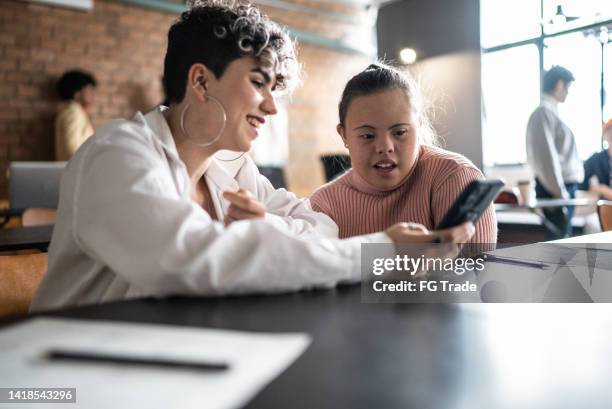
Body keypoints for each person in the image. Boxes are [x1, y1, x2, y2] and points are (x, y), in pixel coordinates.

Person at [31, 1, 473, 311]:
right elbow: (193, 262)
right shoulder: (118, 154)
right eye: (259, 83)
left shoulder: (229, 165)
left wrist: (265, 226)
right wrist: (384, 250)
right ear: (201, 83)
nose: (271, 106)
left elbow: (322, 227)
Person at [309, 63, 497, 244]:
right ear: (344, 135)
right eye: (367, 135)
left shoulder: (454, 177)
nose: (385, 147)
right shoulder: (323, 205)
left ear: (419, 127)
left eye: (399, 132)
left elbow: (476, 273)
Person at [526, 65, 583, 238]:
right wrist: (561, 194)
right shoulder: (543, 113)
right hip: (556, 192)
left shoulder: (551, 113)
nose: (568, 92)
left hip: (562, 190)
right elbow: (546, 160)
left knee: (562, 247)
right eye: (567, 87)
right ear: (559, 84)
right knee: (559, 249)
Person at [55, 69, 97, 161]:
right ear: (77, 93)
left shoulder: (76, 112)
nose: (93, 95)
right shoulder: (73, 113)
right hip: (75, 172)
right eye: (89, 90)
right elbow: (72, 150)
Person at [580, 119, 612, 200]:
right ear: (604, 135)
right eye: (609, 130)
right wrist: (600, 188)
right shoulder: (597, 158)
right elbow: (580, 181)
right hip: (604, 207)